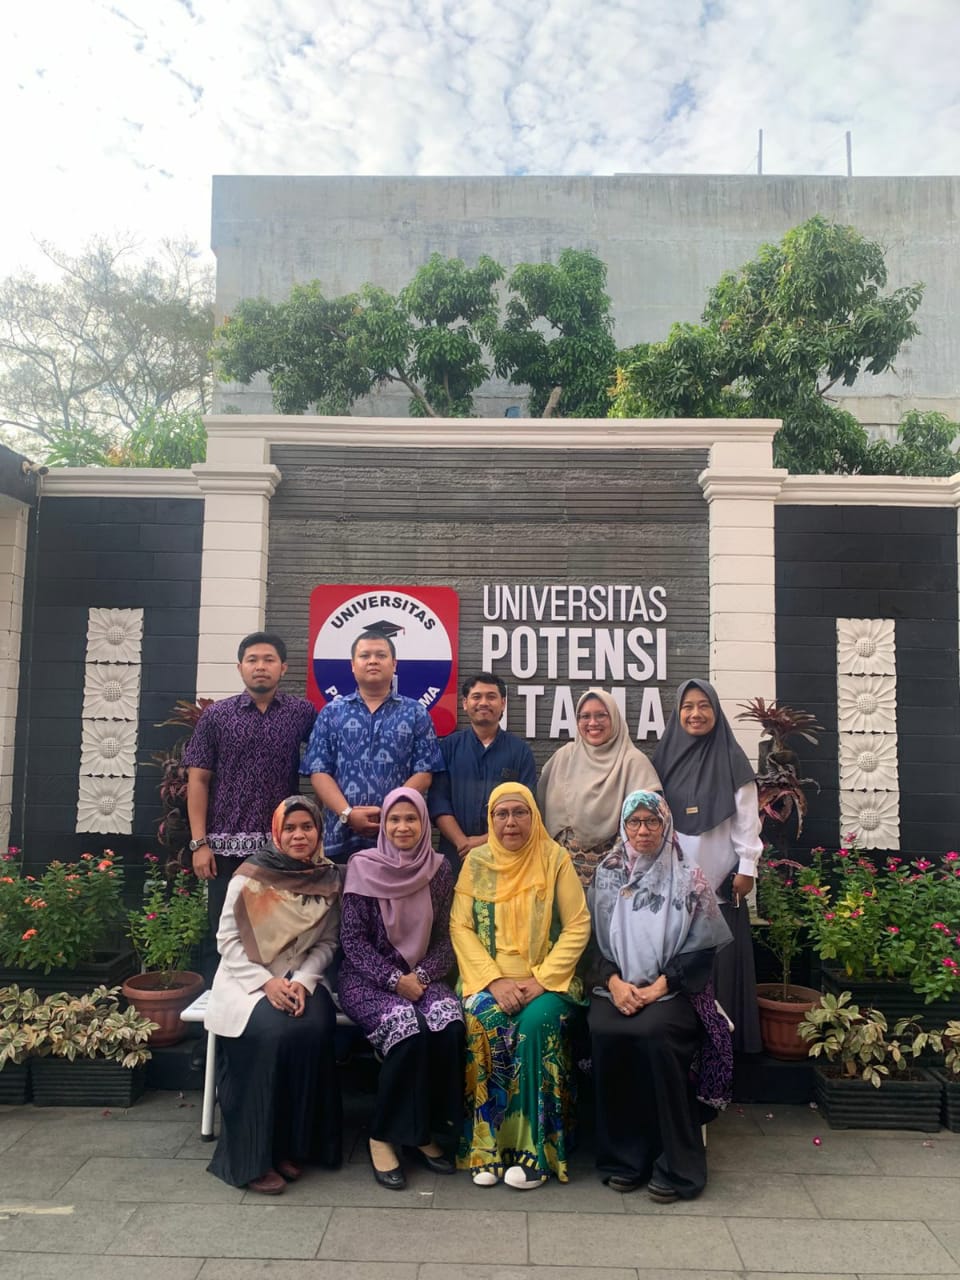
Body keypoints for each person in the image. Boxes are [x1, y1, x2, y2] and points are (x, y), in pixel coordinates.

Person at [587, 790, 732, 1202]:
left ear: (666, 824)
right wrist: (615, 983)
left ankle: (676, 1163)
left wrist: (657, 988)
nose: (643, 830)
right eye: (634, 822)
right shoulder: (607, 874)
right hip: (616, 987)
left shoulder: (689, 877)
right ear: (623, 827)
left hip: (674, 991)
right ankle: (625, 1158)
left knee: (654, 1034)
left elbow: (701, 951)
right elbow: (590, 944)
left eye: (652, 821)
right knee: (605, 1029)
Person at [450, 782, 591, 1190]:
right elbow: (460, 926)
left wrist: (540, 980)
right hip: (488, 980)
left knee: (534, 1027)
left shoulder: (554, 859)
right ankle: (486, 1149)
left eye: (519, 813)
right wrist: (493, 981)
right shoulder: (477, 862)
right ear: (490, 819)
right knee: (484, 1020)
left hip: (548, 982)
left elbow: (578, 925)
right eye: (501, 814)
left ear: (534, 816)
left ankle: (535, 1156)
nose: (510, 822)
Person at [205, 795, 342, 1194]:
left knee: (314, 1027)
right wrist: (266, 983)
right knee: (273, 1034)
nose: (299, 835)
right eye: (290, 828)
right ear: (277, 833)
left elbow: (328, 942)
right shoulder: (251, 876)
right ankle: (250, 1158)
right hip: (248, 981)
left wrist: (303, 980)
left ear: (319, 831)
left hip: (300, 978)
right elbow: (227, 941)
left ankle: (291, 1146)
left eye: (307, 827)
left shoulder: (327, 878)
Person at [339, 787, 464, 1190]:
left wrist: (421, 977)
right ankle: (382, 1135)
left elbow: (447, 938)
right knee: (406, 1029)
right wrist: (395, 980)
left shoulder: (439, 869)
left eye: (411, 818)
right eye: (394, 819)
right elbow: (352, 941)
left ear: (424, 823)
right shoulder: (362, 867)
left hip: (423, 975)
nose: (403, 827)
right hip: (366, 978)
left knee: (449, 1024)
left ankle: (421, 1130)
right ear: (384, 825)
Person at [185, 632, 317, 974]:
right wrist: (199, 843)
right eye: (252, 660)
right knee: (224, 929)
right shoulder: (217, 716)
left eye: (269, 660)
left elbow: (325, 760)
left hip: (281, 846)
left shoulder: (301, 713)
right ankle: (219, 1000)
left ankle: (271, 997)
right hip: (225, 847)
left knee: (278, 931)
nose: (260, 666)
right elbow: (198, 780)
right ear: (240, 667)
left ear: (283, 667)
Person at [653, 678, 764, 1053]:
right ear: (677, 712)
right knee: (677, 965)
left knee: (719, 966)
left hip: (720, 885)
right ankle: (683, 1049)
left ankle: (723, 1051)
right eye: (688, 706)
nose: (696, 713)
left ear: (716, 711)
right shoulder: (664, 757)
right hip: (673, 886)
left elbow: (747, 818)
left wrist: (747, 866)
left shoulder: (732, 757)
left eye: (704, 706)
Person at [303, 628, 444, 863]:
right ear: (352, 665)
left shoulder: (416, 712)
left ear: (394, 664)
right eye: (365, 656)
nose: (373, 661)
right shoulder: (331, 713)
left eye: (381, 655)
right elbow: (318, 772)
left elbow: (424, 773)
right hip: (340, 835)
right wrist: (348, 813)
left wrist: (390, 812)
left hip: (398, 836)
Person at [538, 687, 661, 889]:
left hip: (616, 879)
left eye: (601, 715)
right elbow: (540, 812)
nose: (593, 723)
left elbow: (650, 821)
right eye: (585, 716)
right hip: (561, 876)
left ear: (614, 718)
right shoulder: (563, 757)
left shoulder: (633, 762)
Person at [429, 672, 538, 873]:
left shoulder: (520, 752)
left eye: (491, 696)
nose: (484, 703)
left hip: (505, 857)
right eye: (477, 697)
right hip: (455, 855)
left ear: (503, 703)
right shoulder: (448, 748)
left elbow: (528, 808)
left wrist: (483, 842)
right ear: (465, 703)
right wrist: (462, 842)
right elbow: (438, 802)